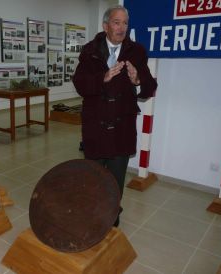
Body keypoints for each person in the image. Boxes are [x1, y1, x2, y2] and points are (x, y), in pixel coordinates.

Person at [73, 5, 157, 226]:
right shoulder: (90, 50)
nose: (122, 28)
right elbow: (80, 84)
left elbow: (151, 86)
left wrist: (138, 79)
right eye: (117, 23)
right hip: (95, 127)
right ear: (106, 25)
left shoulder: (136, 51)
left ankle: (111, 215)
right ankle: (93, 212)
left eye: (125, 23)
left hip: (122, 127)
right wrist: (103, 78)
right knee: (94, 176)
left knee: (116, 178)